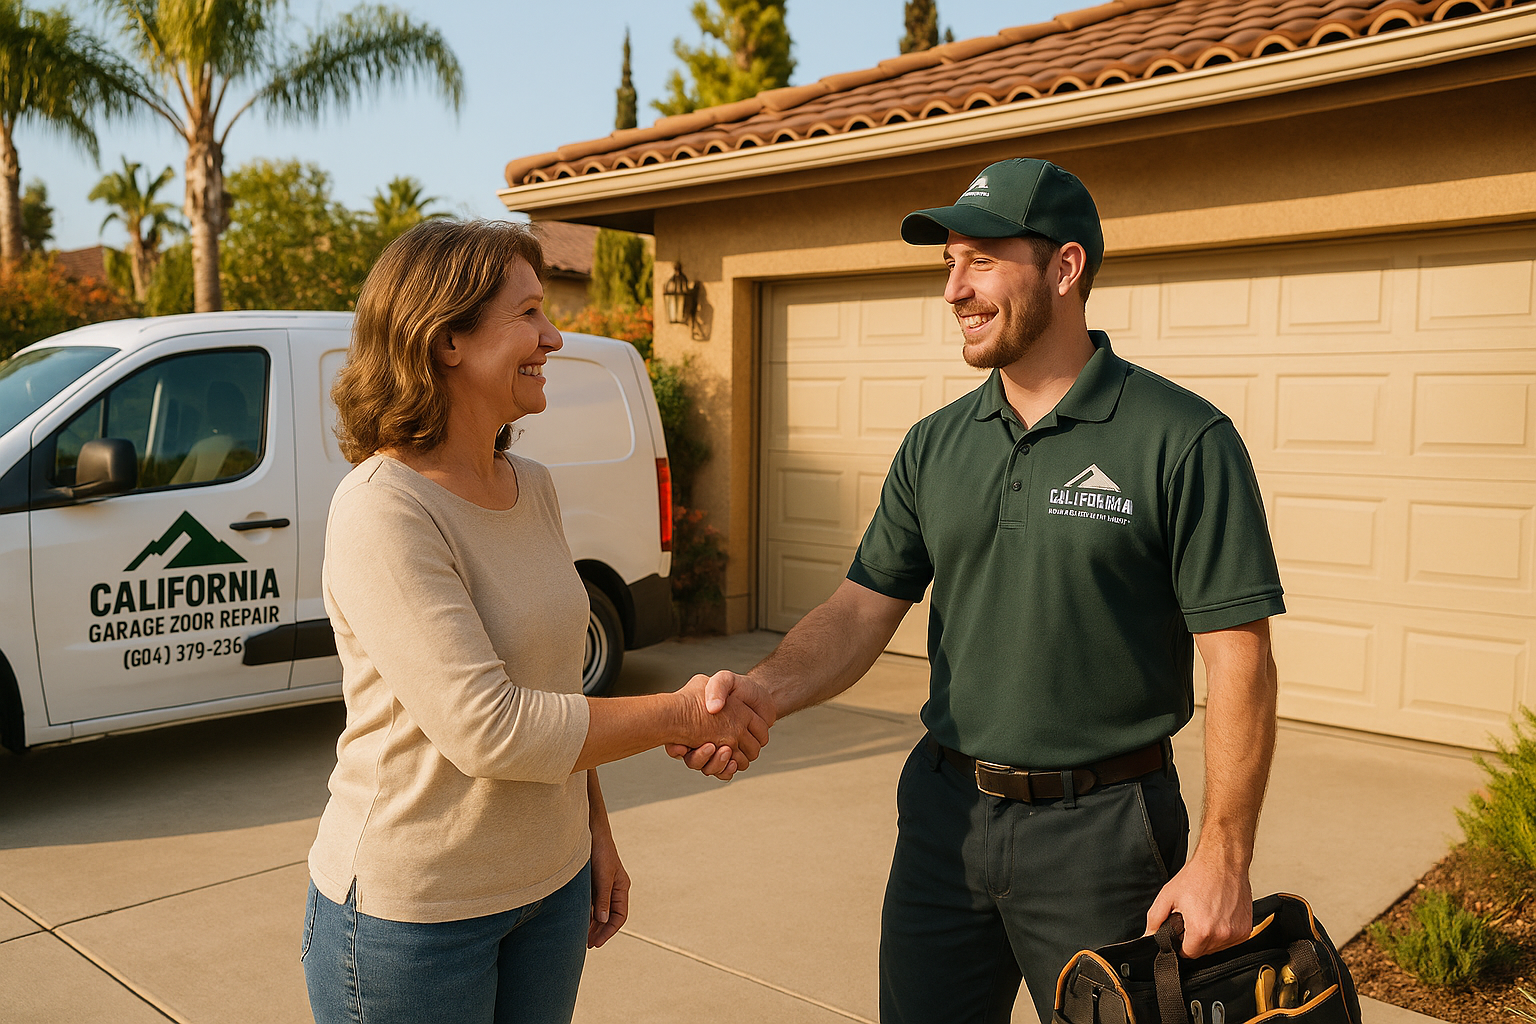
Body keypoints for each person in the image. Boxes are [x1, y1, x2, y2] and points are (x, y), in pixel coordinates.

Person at [672, 158, 1284, 1023]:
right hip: (944, 823)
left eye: (982, 261)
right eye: (947, 264)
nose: (954, 289)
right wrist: (761, 693)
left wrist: (1224, 854)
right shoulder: (934, 446)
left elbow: (1241, 660)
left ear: (1066, 269)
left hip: (1104, 836)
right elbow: (856, 612)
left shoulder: (1183, 440)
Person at [302, 219, 773, 1024]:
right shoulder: (384, 511)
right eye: (527, 315)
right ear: (447, 338)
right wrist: (687, 713)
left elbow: (554, 684)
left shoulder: (534, 486)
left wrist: (594, 831)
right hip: (416, 918)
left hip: (549, 891)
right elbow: (490, 728)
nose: (553, 337)